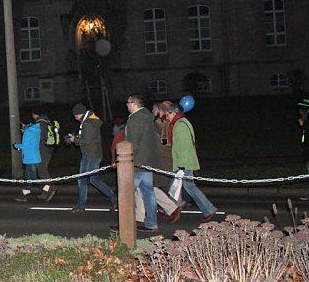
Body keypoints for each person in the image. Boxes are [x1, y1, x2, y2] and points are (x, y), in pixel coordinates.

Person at [162, 102, 217, 222]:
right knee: (176, 186)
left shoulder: (180, 125)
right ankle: (172, 210)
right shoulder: (182, 122)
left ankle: (208, 208)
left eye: (168, 114)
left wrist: (181, 166)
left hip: (183, 162)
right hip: (183, 161)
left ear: (173, 113)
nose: (166, 117)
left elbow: (183, 146)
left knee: (187, 186)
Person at [65, 103, 117, 213]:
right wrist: (76, 138)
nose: (75, 118)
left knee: (86, 180)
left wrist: (75, 140)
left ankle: (82, 205)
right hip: (90, 154)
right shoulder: (89, 121)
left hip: (91, 155)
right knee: (91, 180)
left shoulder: (88, 123)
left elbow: (87, 141)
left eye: (76, 115)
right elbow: (87, 138)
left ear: (80, 114)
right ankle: (82, 205)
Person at [123, 94, 160, 232]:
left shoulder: (135, 119)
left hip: (137, 162)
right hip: (147, 161)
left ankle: (125, 224)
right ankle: (151, 223)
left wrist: (127, 159)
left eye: (128, 103)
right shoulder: (149, 118)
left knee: (126, 193)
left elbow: (133, 143)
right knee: (148, 193)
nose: (126, 105)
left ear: (134, 104)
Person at [12, 114, 43, 203]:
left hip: (30, 159)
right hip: (35, 157)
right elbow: (30, 140)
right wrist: (24, 129)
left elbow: (25, 146)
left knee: (33, 178)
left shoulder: (28, 132)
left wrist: (16, 146)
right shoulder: (36, 130)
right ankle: (23, 196)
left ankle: (48, 189)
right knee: (28, 180)